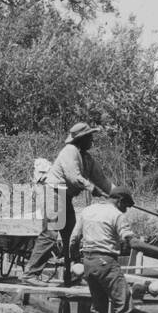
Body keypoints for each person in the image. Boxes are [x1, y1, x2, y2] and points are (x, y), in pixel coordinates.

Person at [68, 189, 158, 313]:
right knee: (124, 302)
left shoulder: (87, 211)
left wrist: (75, 260)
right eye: (125, 206)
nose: (126, 210)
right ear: (119, 201)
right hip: (106, 261)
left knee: (98, 304)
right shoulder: (116, 215)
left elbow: (74, 238)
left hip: (88, 261)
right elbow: (133, 242)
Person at [25, 122, 112, 284]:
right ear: (82, 138)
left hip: (65, 196)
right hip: (54, 193)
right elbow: (74, 177)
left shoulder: (87, 158)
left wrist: (117, 194)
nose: (92, 140)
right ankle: (30, 274)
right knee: (51, 233)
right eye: (90, 137)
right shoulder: (69, 152)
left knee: (71, 236)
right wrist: (92, 188)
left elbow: (102, 181)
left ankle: (71, 274)